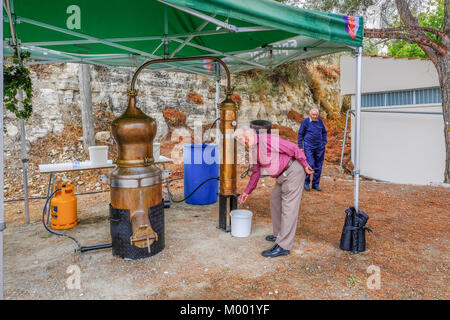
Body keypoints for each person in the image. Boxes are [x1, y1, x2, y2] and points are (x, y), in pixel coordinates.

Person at [235, 127, 314, 258]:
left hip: (293, 171)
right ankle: (279, 234)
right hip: (281, 176)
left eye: (241, 138)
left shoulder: (267, 140)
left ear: (248, 134)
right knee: (275, 201)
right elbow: (256, 173)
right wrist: (247, 192)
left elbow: (293, 147)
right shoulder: (254, 150)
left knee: (289, 208)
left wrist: (305, 164)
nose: (241, 142)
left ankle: (283, 246)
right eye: (239, 140)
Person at [297, 108, 327, 192]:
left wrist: (324, 142)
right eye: (313, 115)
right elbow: (300, 134)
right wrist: (300, 146)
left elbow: (324, 132)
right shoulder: (305, 122)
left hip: (319, 147)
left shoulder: (320, 121)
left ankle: (315, 184)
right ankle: (306, 182)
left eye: (316, 115)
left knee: (318, 165)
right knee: (310, 163)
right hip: (309, 146)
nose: (315, 116)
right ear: (310, 114)